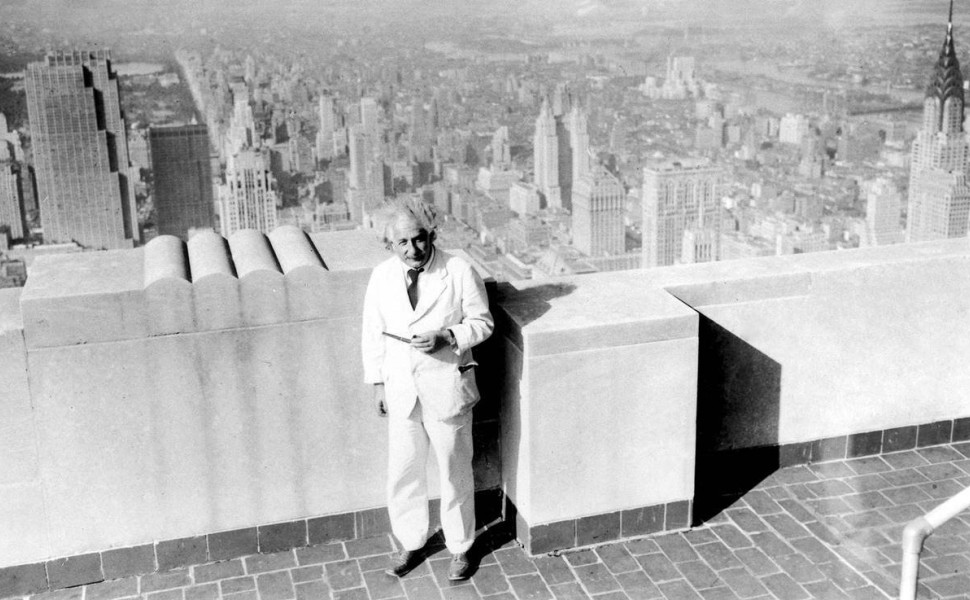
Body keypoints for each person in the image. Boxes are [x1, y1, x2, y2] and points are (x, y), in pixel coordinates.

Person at [361, 199, 494, 581]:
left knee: (454, 471)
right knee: (404, 470)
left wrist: (448, 336)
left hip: (446, 386)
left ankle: (461, 547)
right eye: (401, 242)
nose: (412, 250)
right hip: (402, 390)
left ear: (431, 235)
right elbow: (373, 334)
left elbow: (482, 323)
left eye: (418, 239)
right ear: (389, 245)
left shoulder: (458, 269)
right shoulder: (382, 277)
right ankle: (410, 541)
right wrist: (378, 384)